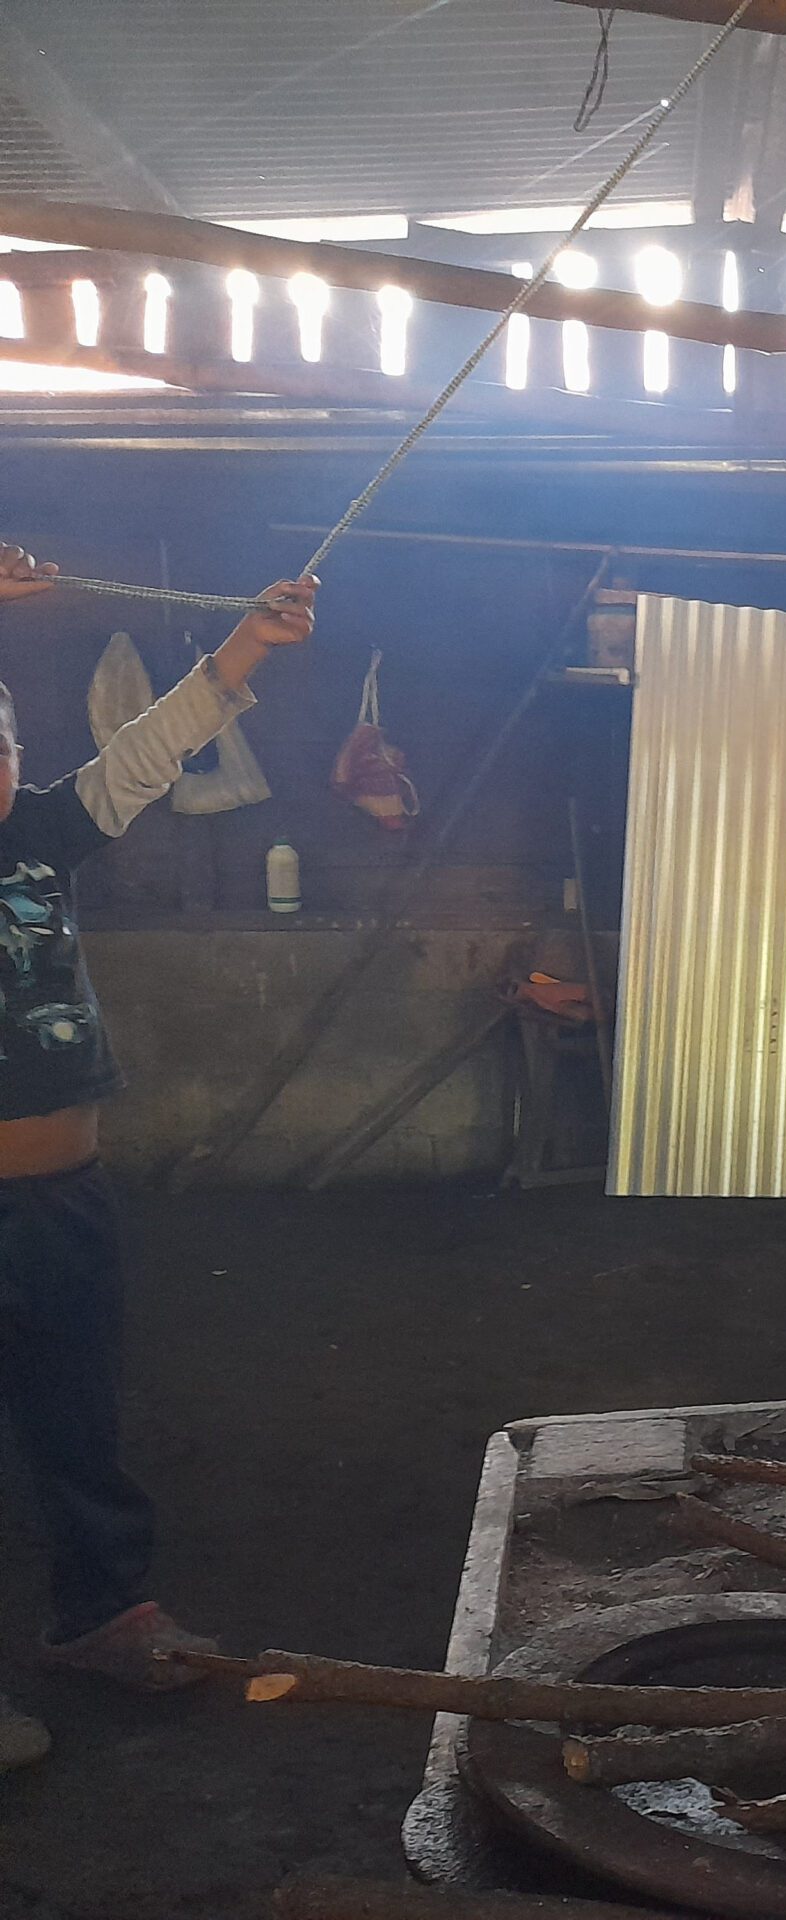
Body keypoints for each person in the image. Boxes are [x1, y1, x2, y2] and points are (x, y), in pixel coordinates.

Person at [0, 545, 316, 1771]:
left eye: (2, 745)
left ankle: (102, 1617)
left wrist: (246, 645)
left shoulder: (41, 834)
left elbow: (151, 744)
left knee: (79, 1422)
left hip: (63, 1201)